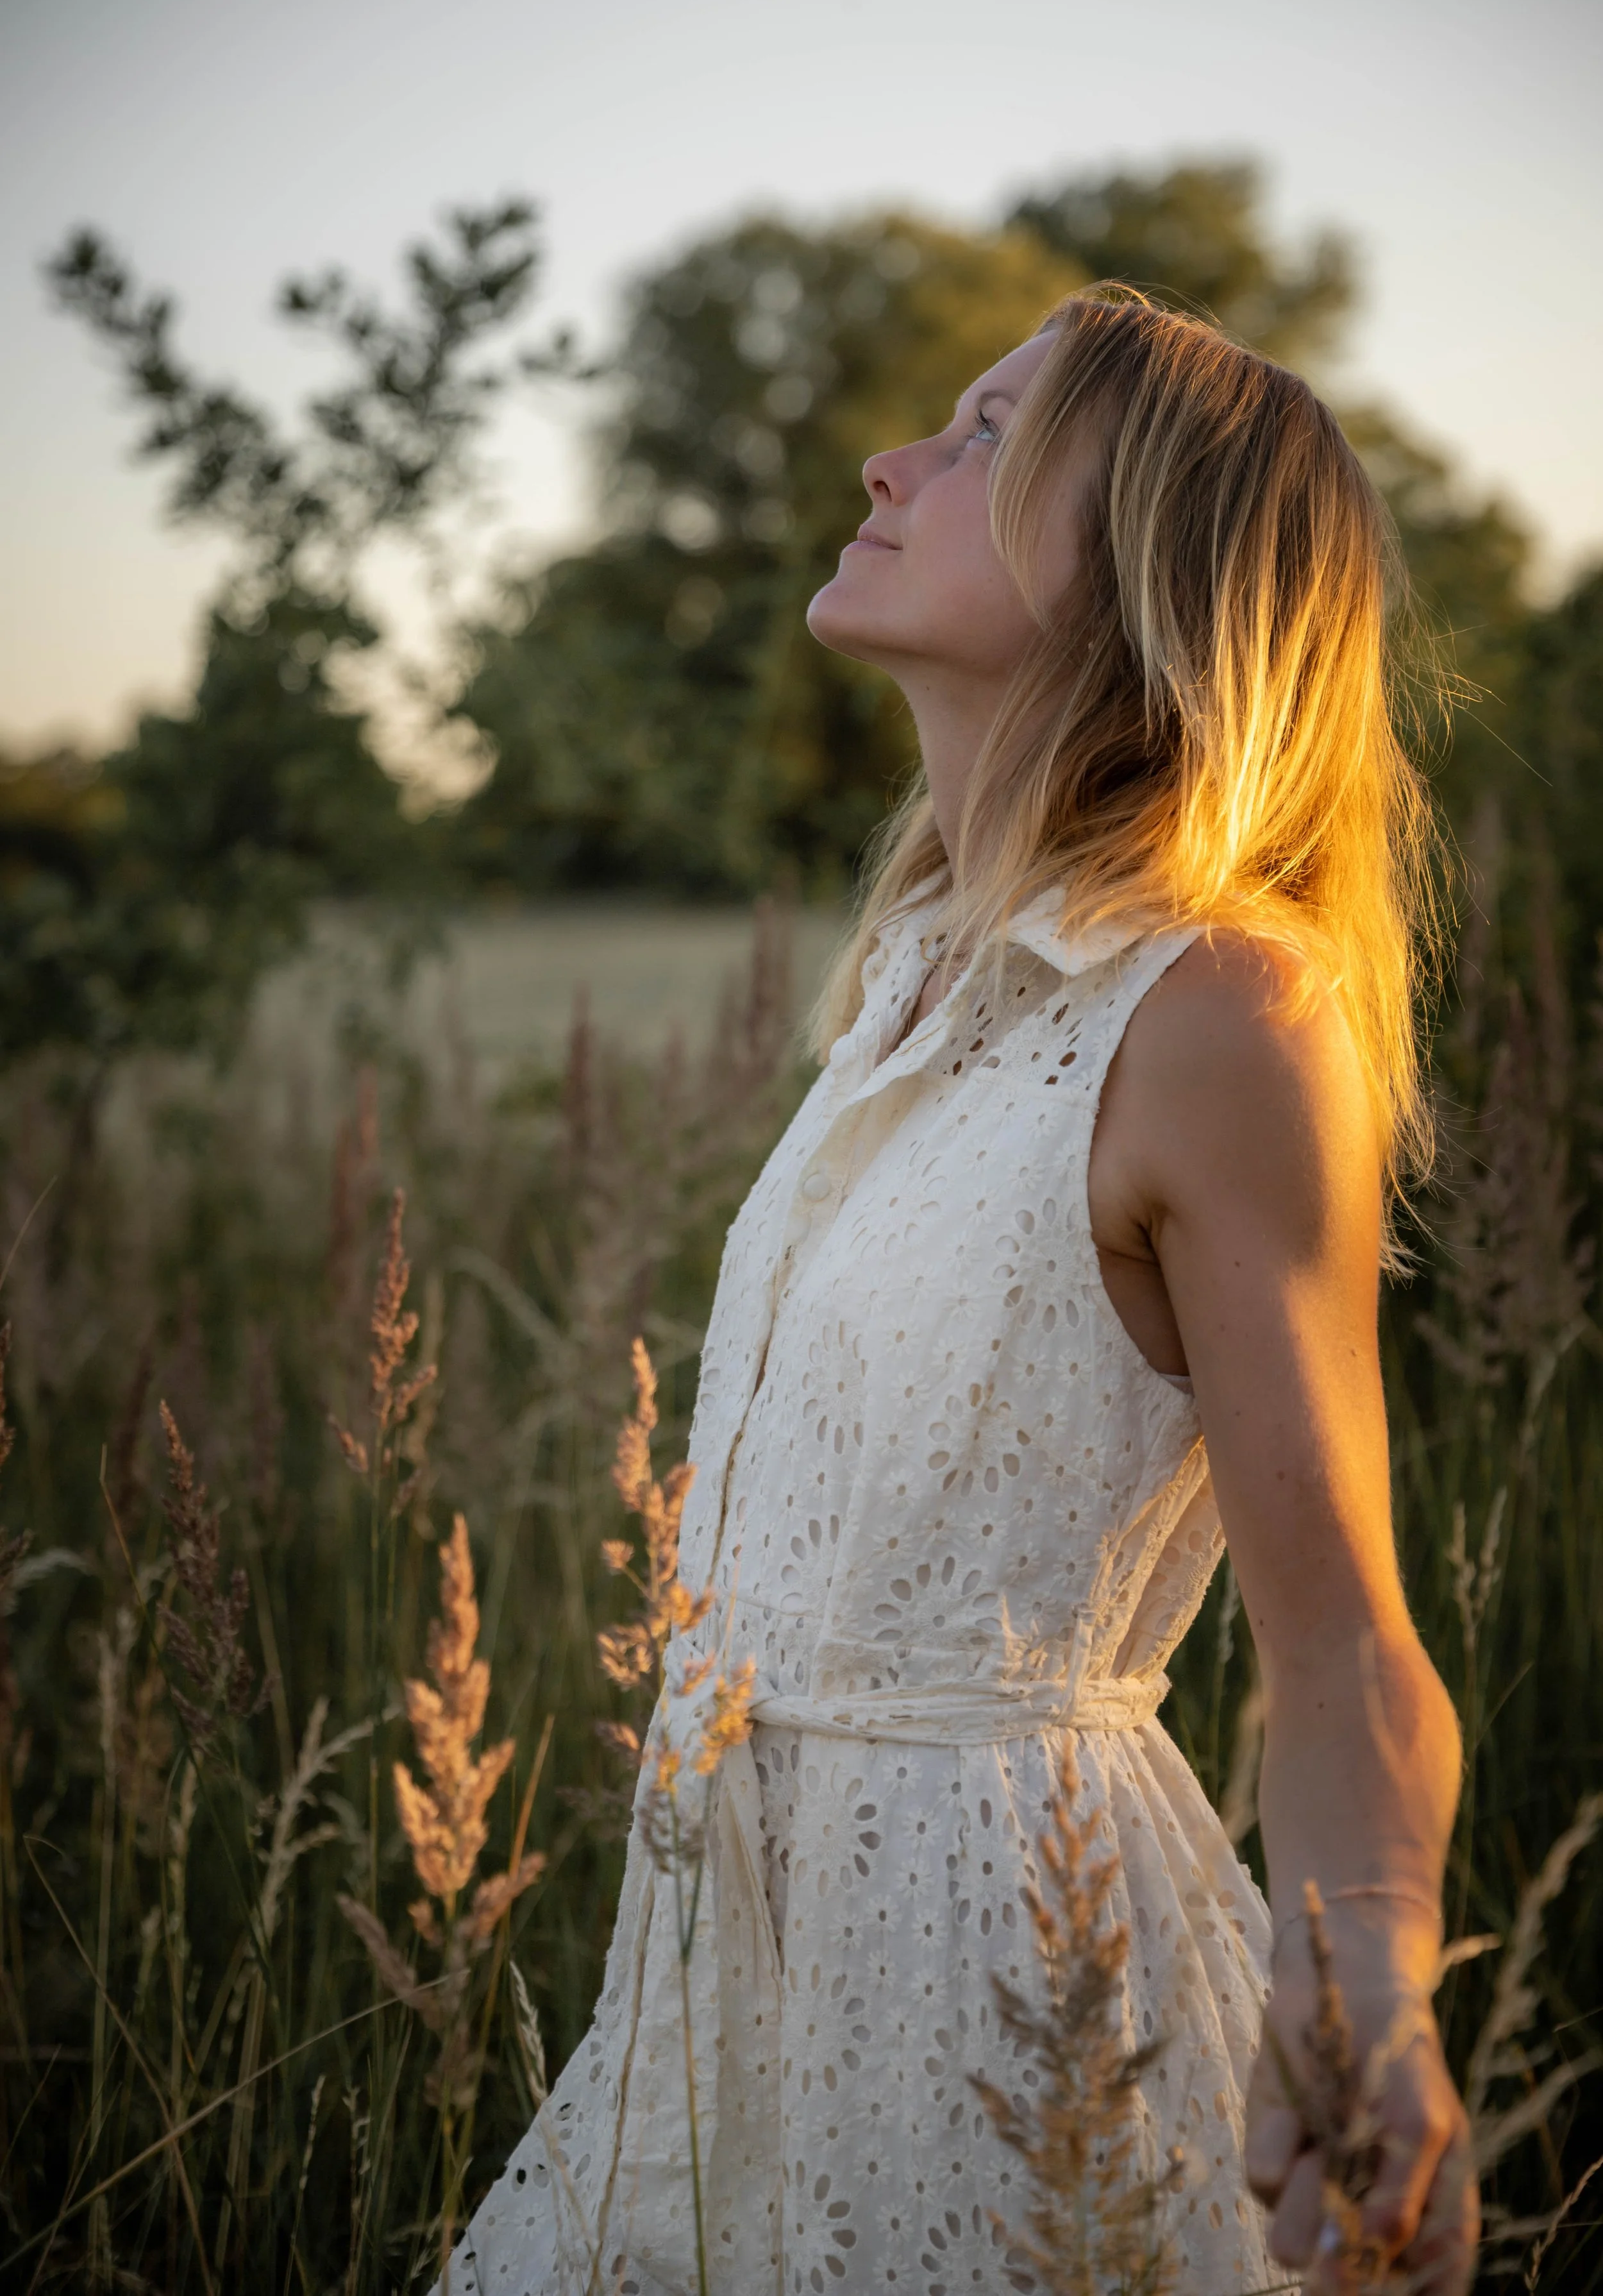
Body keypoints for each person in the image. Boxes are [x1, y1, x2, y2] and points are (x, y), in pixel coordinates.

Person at [438, 289, 1473, 2295]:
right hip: (722, 1981)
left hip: (1002, 1984)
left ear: (1154, 563)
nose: (885, 463)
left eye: (986, 432)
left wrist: (1366, 1952)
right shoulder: (912, 980)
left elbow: (1343, 1638)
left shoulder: (1218, 1013)